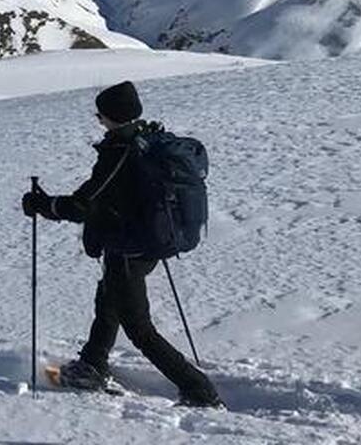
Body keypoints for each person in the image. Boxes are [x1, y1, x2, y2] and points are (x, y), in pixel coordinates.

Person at [22, 80, 223, 408]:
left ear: (112, 116)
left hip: (129, 246)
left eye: (100, 113)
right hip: (143, 243)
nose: (98, 119)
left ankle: (198, 389)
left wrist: (44, 206)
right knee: (108, 299)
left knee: (139, 328)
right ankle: (92, 364)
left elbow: (85, 203)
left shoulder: (120, 152)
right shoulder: (148, 140)